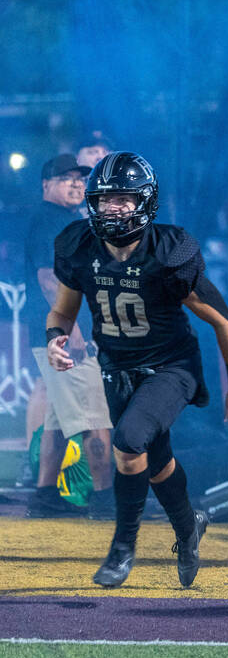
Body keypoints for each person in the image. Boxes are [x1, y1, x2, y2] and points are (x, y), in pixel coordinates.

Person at [47, 151, 228, 588]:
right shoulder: (78, 246)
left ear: (145, 202)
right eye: (106, 199)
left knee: (127, 442)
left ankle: (122, 549)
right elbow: (63, 313)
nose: (114, 208)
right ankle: (188, 527)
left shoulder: (168, 252)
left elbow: (222, 320)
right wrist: (54, 340)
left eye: (124, 198)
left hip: (170, 366)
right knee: (155, 462)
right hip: (116, 366)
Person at [25, 155, 114, 519]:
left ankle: (45, 496)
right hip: (64, 336)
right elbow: (49, 278)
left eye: (80, 179)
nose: (77, 184)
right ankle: (107, 500)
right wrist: (72, 330)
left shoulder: (64, 220)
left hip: (52, 334)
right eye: (66, 179)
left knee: (59, 421)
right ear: (46, 184)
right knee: (96, 418)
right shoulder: (50, 222)